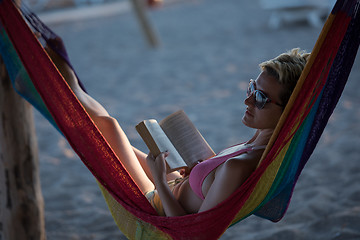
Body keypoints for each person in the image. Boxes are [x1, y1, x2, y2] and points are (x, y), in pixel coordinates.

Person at [46, 44, 310, 217]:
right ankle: (57, 79)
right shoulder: (253, 145)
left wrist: (160, 180)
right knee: (107, 130)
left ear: (289, 110)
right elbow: (208, 188)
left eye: (261, 98)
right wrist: (195, 169)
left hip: (155, 205)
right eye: (252, 88)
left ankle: (51, 82)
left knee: (106, 129)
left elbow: (193, 233)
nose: (248, 100)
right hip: (172, 183)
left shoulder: (240, 166)